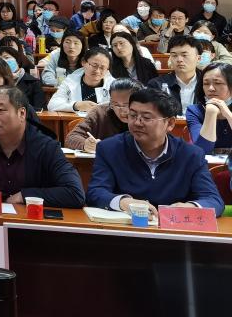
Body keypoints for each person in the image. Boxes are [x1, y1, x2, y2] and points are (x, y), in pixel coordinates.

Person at [86, 86, 224, 216]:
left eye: (146, 118)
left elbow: (213, 200)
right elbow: (95, 192)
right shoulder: (109, 149)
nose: (137, 123)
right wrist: (123, 202)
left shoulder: (191, 155)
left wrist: (191, 207)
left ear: (170, 123)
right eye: (132, 115)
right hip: (128, 226)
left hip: (173, 228)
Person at [0, 87, 85, 208]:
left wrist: (24, 196)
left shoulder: (46, 147)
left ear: (22, 113)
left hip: (30, 221)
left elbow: (75, 193)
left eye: (1, 110)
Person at [65, 78, 140, 152]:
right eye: (116, 104)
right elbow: (72, 137)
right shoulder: (100, 112)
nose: (122, 110)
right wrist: (85, 144)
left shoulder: (145, 115)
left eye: (126, 105)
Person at [147, 36, 204, 114]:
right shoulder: (157, 84)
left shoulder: (207, 83)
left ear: (198, 58)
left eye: (184, 55)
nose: (179, 60)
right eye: (174, 55)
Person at [48, 47, 114, 112]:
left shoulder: (113, 84)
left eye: (102, 68)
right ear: (83, 62)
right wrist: (76, 106)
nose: (97, 71)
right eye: (94, 65)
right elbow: (52, 105)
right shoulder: (70, 81)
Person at [185, 62, 232, 154]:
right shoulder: (194, 111)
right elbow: (202, 149)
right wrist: (211, 112)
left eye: (217, 83)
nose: (210, 88)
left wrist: (228, 114)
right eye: (206, 83)